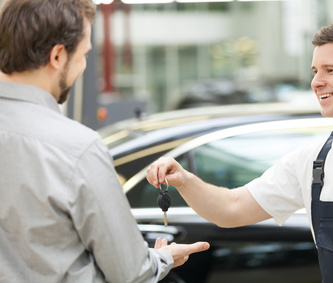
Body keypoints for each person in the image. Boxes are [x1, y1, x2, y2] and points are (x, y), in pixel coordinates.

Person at [147, 24, 333, 282]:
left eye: (330, 70)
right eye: (315, 71)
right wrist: (184, 179)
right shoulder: (313, 161)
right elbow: (231, 209)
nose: (317, 81)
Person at [0, 0, 209, 282]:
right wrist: (164, 258)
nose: (84, 66)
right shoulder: (76, 148)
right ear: (58, 56)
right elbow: (130, 272)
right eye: (84, 54)